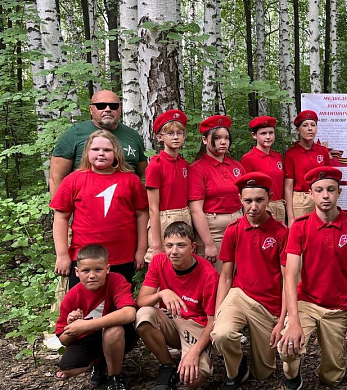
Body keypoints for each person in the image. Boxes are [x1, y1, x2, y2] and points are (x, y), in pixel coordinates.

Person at [278, 166, 347, 389]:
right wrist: (293, 320)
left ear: (339, 191)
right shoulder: (300, 227)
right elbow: (290, 275)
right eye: (319, 190)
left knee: (332, 378)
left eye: (330, 189)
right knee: (287, 351)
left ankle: (330, 364)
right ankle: (293, 376)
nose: (325, 195)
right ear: (311, 194)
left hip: (338, 307)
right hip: (306, 302)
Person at [213, 172, 289, 389]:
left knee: (264, 373)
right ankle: (235, 371)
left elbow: (288, 281)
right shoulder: (234, 230)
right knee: (221, 334)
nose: (253, 206)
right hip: (240, 295)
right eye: (248, 201)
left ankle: (252, 364)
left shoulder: (281, 233)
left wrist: (282, 319)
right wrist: (219, 312)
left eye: (259, 200)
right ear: (240, 200)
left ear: (270, 198)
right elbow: (226, 276)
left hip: (268, 305)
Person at [51, 130, 149, 289]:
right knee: (83, 308)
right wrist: (62, 255)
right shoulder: (74, 180)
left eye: (107, 150)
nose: (101, 154)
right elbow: (60, 218)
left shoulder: (131, 180)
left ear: (116, 152)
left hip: (122, 256)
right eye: (95, 149)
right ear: (87, 152)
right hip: (84, 258)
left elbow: (142, 215)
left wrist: (141, 250)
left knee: (120, 307)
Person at [135, 222, 219, 389]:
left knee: (191, 379)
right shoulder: (159, 261)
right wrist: (161, 293)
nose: (174, 251)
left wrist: (194, 353)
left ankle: (192, 356)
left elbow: (213, 321)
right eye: (169, 246)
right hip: (172, 317)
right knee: (144, 316)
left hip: (198, 324)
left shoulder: (209, 275)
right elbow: (141, 301)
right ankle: (169, 365)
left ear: (193, 247)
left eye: (181, 245)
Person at [54, 244, 137, 390]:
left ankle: (114, 377)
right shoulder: (72, 296)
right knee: (67, 369)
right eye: (85, 270)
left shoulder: (116, 280)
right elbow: (63, 339)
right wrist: (72, 327)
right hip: (88, 339)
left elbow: (129, 313)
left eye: (98, 269)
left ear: (107, 269)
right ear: (77, 272)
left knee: (113, 330)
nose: (92, 275)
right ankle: (99, 362)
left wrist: (86, 325)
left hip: (119, 334)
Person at [50, 90, 146, 198]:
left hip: (127, 207)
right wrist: (61, 212)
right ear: (91, 109)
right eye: (101, 106)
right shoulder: (74, 134)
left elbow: (143, 176)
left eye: (113, 106)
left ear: (120, 109)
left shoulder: (133, 135)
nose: (108, 109)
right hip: (85, 208)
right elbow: (56, 177)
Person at [189, 114, 244, 271]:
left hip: (238, 224)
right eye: (218, 137)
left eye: (226, 138)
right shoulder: (198, 168)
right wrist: (209, 243)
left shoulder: (236, 166)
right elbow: (196, 209)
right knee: (218, 276)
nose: (223, 142)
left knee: (239, 274)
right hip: (214, 229)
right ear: (205, 140)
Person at [144, 109, 191, 262]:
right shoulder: (156, 165)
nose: (176, 137)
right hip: (165, 218)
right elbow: (153, 208)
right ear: (160, 137)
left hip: (184, 216)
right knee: (162, 264)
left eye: (180, 133)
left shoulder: (183, 163)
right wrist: (157, 245)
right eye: (170, 133)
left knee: (183, 263)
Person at [283, 110, 332, 226]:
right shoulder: (291, 154)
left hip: (321, 197)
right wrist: (290, 217)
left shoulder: (322, 151)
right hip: (301, 200)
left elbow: (329, 180)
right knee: (302, 233)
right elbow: (288, 187)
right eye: (305, 125)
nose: (310, 129)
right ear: (298, 130)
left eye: (313, 125)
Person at [241, 116, 286, 223]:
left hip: (279, 204)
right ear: (254, 135)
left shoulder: (277, 156)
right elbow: (244, 189)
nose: (268, 137)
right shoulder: (248, 158)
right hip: (260, 205)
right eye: (263, 133)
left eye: (271, 133)